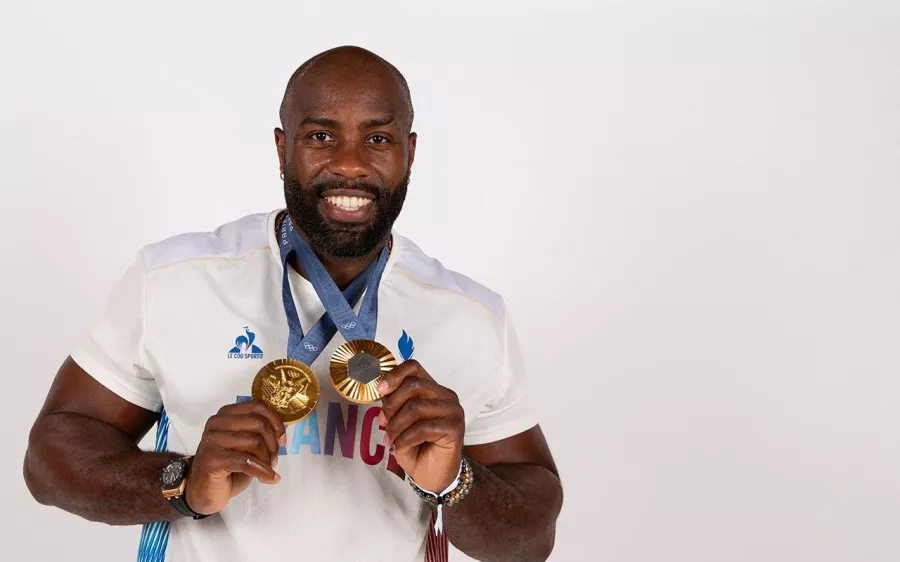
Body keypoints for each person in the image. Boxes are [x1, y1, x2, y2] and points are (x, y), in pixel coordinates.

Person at [23, 45, 563, 562]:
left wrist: (454, 480)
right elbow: (50, 460)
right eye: (322, 135)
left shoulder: (470, 317)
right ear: (283, 149)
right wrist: (184, 483)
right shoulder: (172, 281)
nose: (349, 164)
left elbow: (532, 536)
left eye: (377, 138)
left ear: (410, 152)